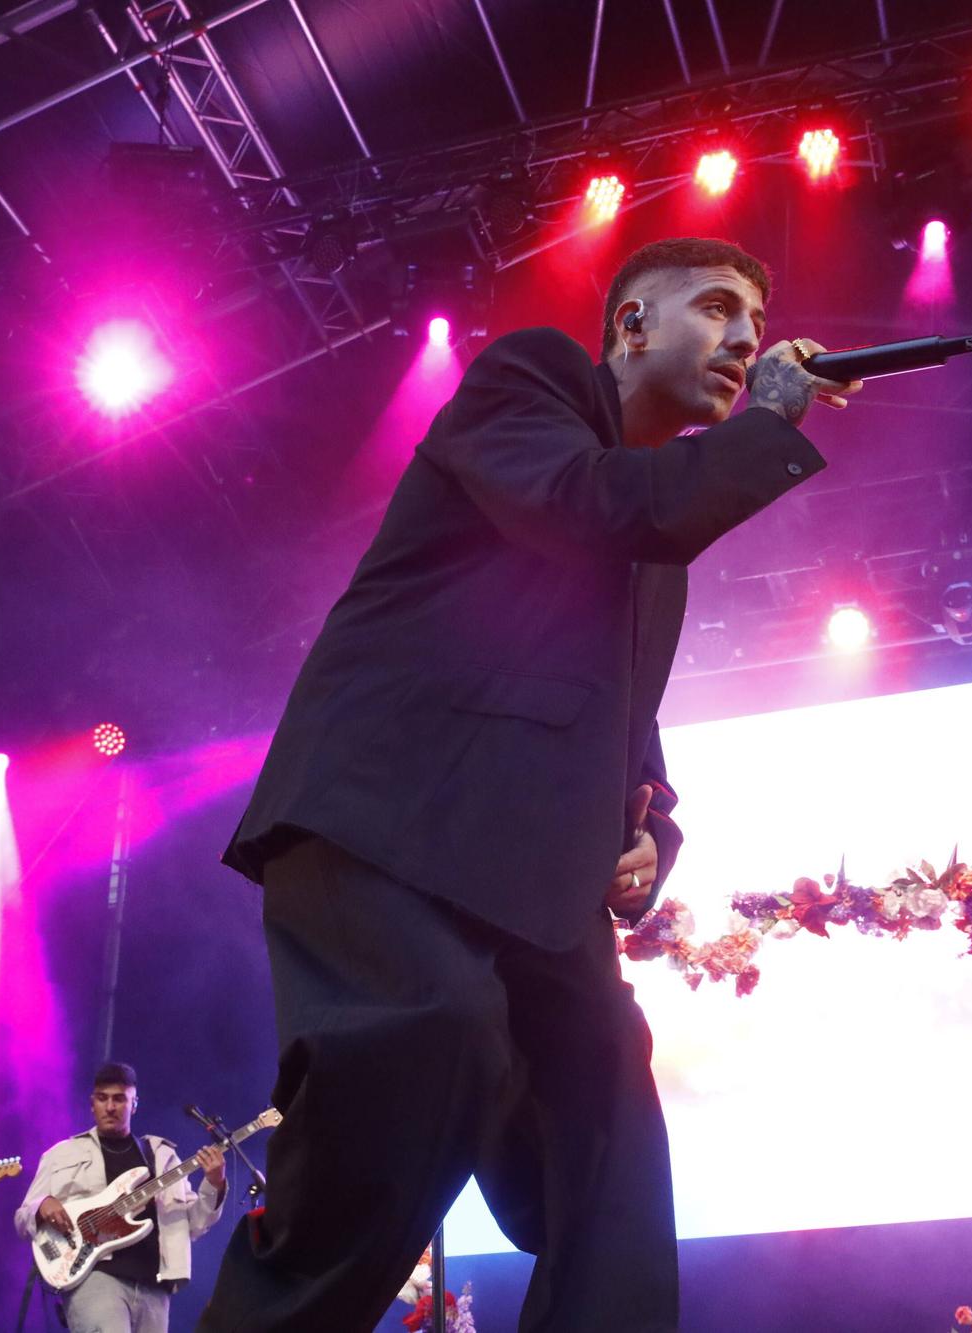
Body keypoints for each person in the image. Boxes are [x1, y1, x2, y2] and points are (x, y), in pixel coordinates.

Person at [199, 236, 856, 1332]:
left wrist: (654, 837)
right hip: (391, 823)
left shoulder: (657, 549)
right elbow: (589, 504)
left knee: (605, 1126)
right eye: (715, 308)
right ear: (631, 326)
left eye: (753, 320)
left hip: (533, 884)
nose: (743, 338)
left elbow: (623, 732)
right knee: (427, 1042)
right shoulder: (532, 380)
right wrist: (764, 428)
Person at [15, 1061, 228, 1332]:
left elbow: (195, 1225)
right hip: (96, 1277)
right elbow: (23, 1218)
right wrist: (43, 1204)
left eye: (119, 1099)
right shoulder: (62, 1154)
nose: (111, 1107)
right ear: (92, 1103)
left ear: (134, 1104)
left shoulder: (162, 1157)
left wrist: (214, 1183)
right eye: (102, 1098)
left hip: (155, 1284)